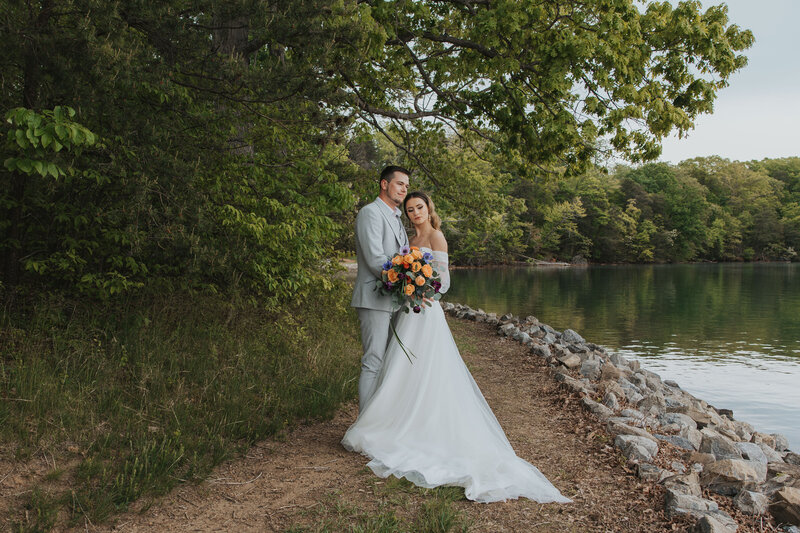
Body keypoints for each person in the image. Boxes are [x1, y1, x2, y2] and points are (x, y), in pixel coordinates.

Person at [343, 191, 572, 504]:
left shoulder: (437, 236)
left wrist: (427, 293)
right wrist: (409, 287)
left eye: (418, 207)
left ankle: (426, 423)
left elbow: (444, 280)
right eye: (410, 209)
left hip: (426, 310)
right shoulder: (410, 237)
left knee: (427, 366)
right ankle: (396, 418)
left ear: (428, 208)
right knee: (401, 366)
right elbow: (403, 269)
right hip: (409, 309)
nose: (414, 213)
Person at [351, 165, 410, 411]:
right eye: (400, 184)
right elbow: (376, 259)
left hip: (395, 298)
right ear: (384, 184)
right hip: (374, 297)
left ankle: (381, 420)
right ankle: (364, 426)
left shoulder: (397, 219)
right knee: (373, 361)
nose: (404, 189)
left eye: (407, 186)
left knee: (389, 362)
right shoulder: (370, 213)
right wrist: (407, 282)